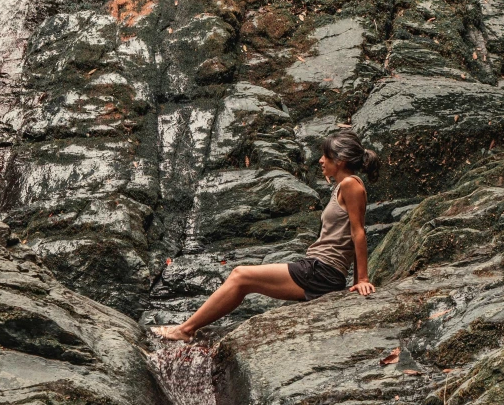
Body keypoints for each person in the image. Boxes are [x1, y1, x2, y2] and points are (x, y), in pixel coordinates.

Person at [152, 130, 380, 342]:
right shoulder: (342, 186)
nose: (320, 161)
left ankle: (184, 330)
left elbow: (358, 232)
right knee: (241, 278)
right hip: (318, 271)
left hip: (320, 272)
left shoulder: (351, 185)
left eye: (325, 156)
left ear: (339, 160)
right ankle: (186, 329)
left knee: (241, 276)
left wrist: (361, 280)